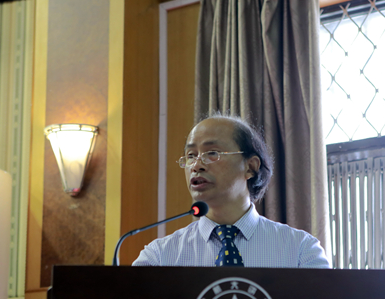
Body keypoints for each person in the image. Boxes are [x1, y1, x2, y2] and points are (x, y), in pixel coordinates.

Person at [132, 114, 330, 268]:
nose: (196, 165)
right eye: (191, 155)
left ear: (250, 167)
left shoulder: (301, 251)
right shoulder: (159, 257)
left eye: (212, 153)